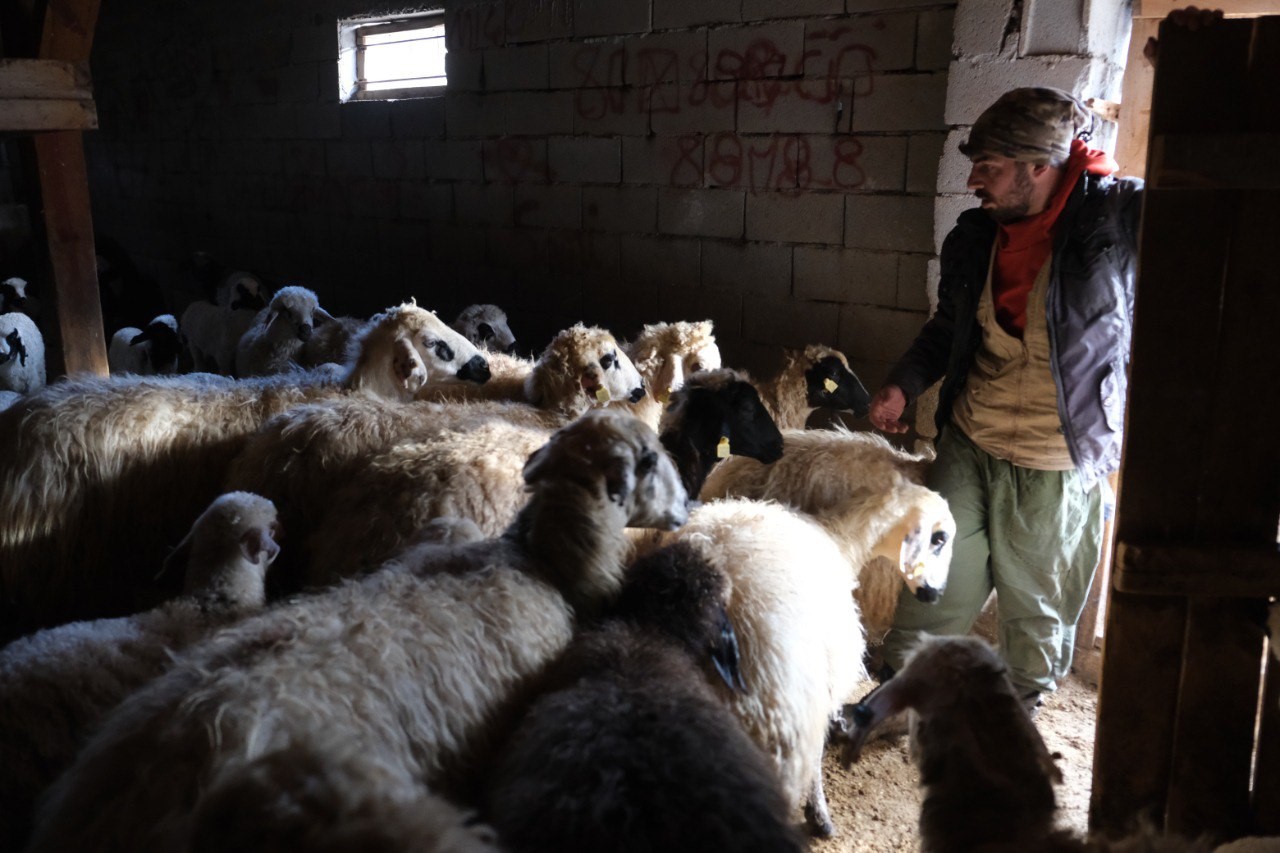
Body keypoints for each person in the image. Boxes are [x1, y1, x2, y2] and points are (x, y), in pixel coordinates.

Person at [867, 86, 1143, 713]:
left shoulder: (1119, 221)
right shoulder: (974, 236)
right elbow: (947, 329)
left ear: (1038, 167)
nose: (972, 181)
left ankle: (1019, 705)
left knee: (1038, 594)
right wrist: (904, 382)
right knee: (936, 570)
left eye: (988, 166)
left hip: (1058, 450)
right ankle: (895, 692)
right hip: (971, 434)